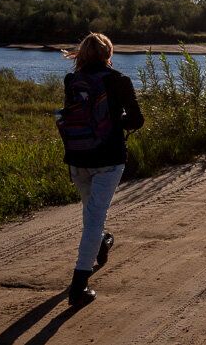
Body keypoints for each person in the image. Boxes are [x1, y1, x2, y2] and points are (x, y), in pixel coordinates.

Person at [62, 33, 143, 306]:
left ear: (82, 54)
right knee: (95, 219)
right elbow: (137, 120)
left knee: (91, 213)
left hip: (77, 157)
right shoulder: (119, 81)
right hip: (108, 158)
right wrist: (115, 121)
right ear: (109, 53)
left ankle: (101, 244)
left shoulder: (72, 81)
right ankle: (78, 286)